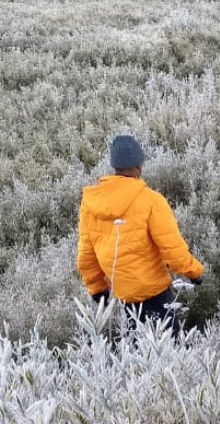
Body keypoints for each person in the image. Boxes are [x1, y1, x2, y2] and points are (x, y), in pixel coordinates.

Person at [76, 135, 205, 330]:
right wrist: (194, 272)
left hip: (124, 296)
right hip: (155, 292)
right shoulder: (151, 200)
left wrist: (96, 288)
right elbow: (171, 247)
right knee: (170, 348)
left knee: (137, 350)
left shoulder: (91, 203)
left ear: (114, 166)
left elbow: (86, 253)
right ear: (139, 165)